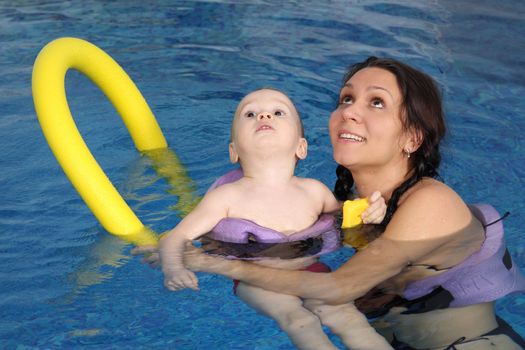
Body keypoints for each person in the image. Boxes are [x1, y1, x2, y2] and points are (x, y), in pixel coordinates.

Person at [136, 57, 525, 349]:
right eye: (346, 99)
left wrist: (211, 263)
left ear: (412, 138)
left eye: (376, 103)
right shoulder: (340, 203)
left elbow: (338, 287)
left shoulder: (431, 203)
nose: (348, 111)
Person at [157, 88, 393, 350]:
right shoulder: (225, 198)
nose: (264, 115)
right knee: (297, 319)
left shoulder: (314, 191)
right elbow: (176, 237)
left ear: (301, 147)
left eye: (278, 112)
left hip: (311, 272)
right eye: (250, 114)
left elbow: (350, 219)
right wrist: (173, 268)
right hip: (254, 280)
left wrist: (373, 212)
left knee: (348, 318)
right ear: (233, 151)